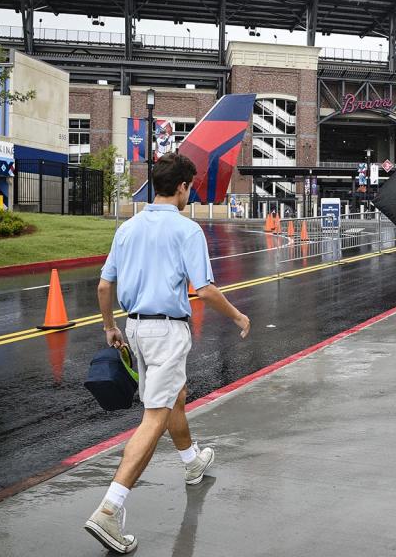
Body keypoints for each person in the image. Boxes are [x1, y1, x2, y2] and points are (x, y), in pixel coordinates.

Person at [84, 153, 251, 553]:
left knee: (173, 395)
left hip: (137, 328)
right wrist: (239, 316)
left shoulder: (128, 227)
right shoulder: (187, 229)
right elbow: (205, 290)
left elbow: (105, 288)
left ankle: (192, 461)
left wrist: (111, 327)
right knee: (155, 416)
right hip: (167, 331)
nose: (188, 194)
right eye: (189, 188)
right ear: (180, 187)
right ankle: (110, 508)